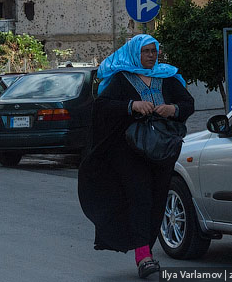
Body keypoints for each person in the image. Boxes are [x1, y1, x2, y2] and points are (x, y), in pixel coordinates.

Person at [78, 34, 194, 279]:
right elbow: (102, 107)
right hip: (129, 152)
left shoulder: (168, 76)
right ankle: (144, 257)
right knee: (140, 198)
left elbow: (187, 103)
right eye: (146, 51)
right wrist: (131, 106)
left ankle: (146, 249)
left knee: (156, 199)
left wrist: (173, 109)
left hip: (162, 151)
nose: (152, 55)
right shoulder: (121, 79)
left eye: (154, 51)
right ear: (135, 54)